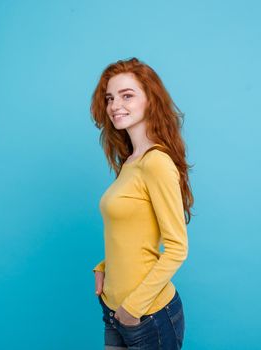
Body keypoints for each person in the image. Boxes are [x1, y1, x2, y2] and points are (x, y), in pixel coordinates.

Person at [90, 57, 194, 350]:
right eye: (110, 98)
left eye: (127, 95)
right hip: (113, 310)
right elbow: (131, 235)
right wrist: (104, 266)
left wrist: (132, 309)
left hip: (145, 314)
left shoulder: (157, 163)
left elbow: (177, 248)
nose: (114, 105)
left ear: (150, 101)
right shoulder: (130, 163)